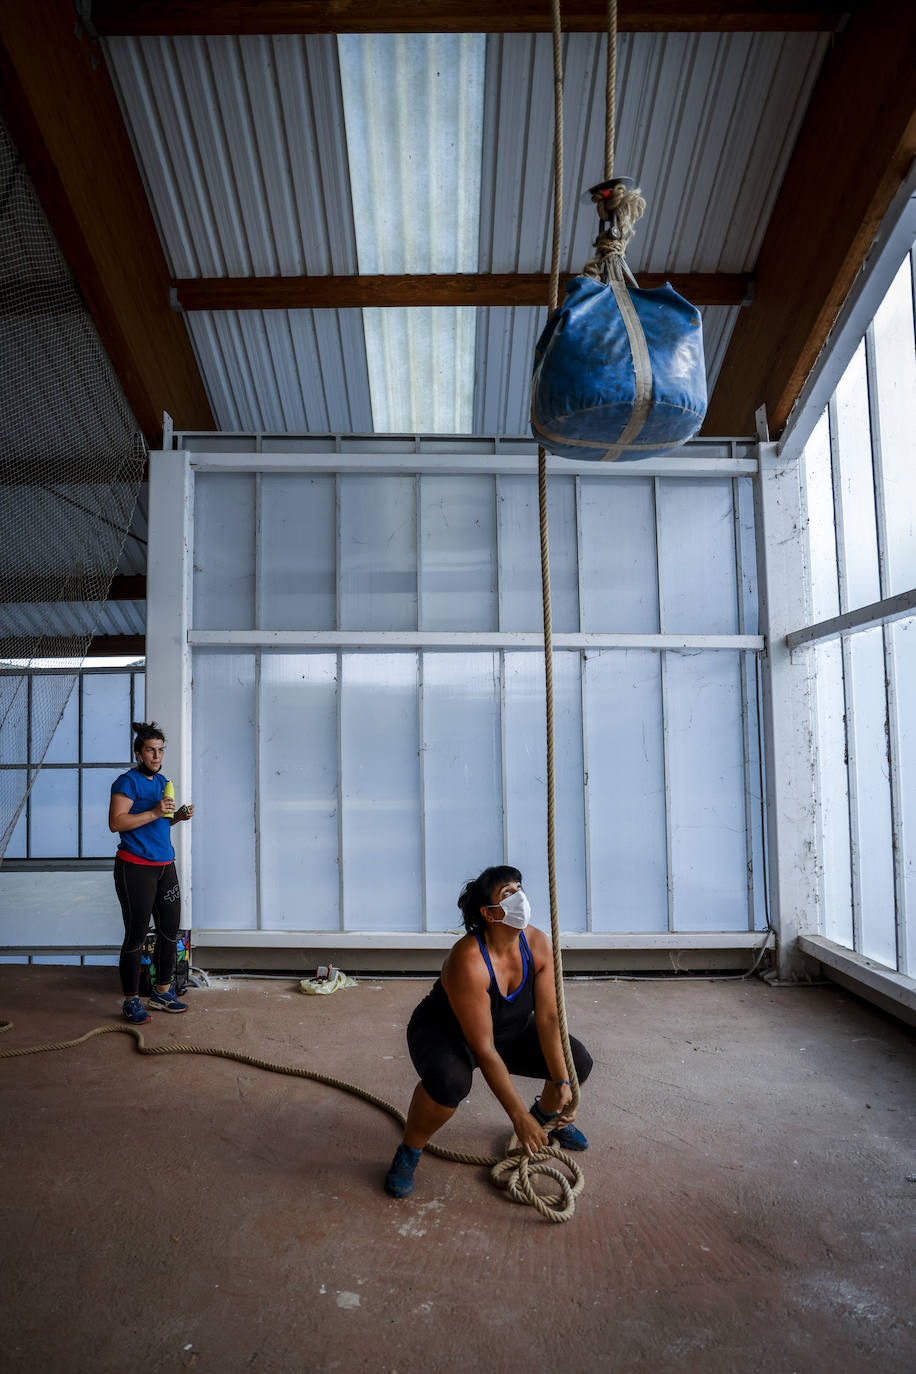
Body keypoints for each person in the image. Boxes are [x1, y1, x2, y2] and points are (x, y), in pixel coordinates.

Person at [384, 865, 593, 1199]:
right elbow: (483, 1048)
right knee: (450, 1082)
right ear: (489, 912)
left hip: (506, 1029)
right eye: (508, 894)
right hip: (445, 1032)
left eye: (520, 889)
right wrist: (516, 1116)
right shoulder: (468, 960)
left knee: (575, 1062)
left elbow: (549, 1021)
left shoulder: (537, 943)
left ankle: (545, 1119)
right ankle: (409, 1151)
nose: (520, 898)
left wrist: (562, 1081)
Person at [108, 721, 194, 1024]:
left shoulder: (162, 781)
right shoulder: (127, 782)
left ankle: (162, 992)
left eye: (160, 750)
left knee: (170, 931)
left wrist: (176, 817)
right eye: (150, 750)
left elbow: (158, 822)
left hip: (164, 865)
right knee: (135, 935)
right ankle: (131, 1000)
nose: (156, 756)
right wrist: (157, 811)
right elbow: (117, 822)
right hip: (135, 868)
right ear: (138, 753)